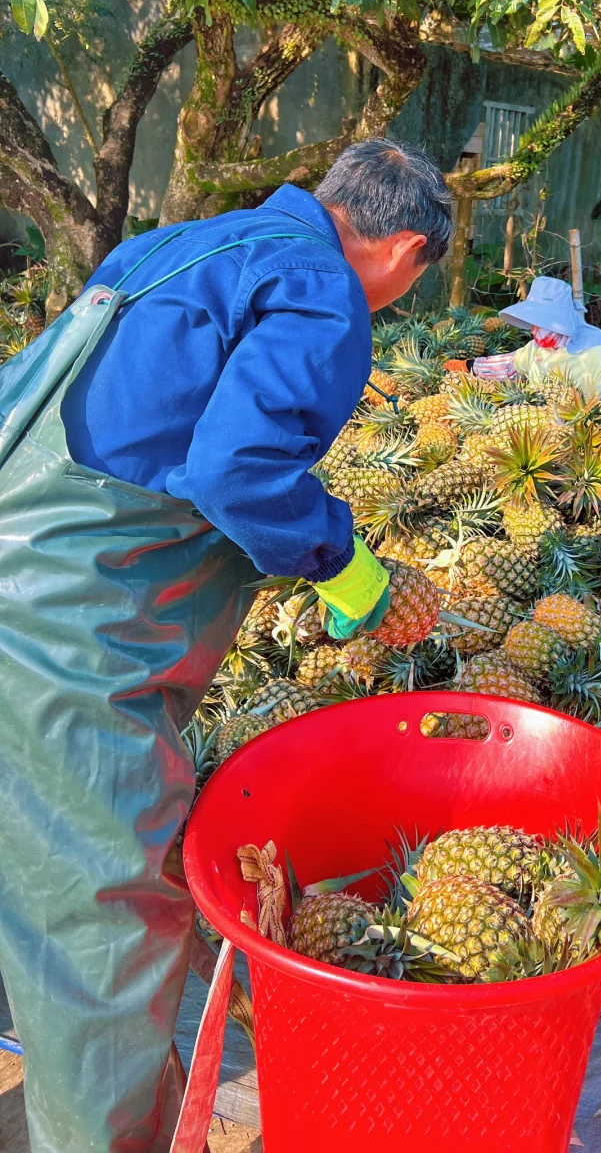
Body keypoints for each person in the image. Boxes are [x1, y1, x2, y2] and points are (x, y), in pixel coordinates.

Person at [0, 139, 452, 1153]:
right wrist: (350, 570)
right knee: (100, 919)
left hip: (14, 569)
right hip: (70, 629)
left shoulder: (184, 244)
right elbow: (238, 471)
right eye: (411, 286)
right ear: (406, 248)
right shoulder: (322, 289)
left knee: (27, 882)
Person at [468, 274, 601, 406]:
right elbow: (508, 365)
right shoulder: (535, 349)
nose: (536, 329)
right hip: (538, 432)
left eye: (543, 322)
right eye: (534, 322)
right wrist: (469, 366)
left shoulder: (597, 354)